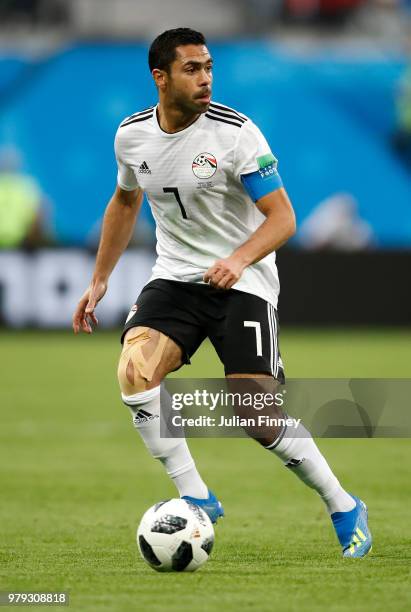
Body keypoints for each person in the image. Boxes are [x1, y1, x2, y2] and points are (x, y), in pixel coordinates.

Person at [72, 28, 372, 558]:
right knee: (134, 371)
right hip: (176, 277)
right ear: (160, 77)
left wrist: (237, 260)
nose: (205, 77)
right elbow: (124, 202)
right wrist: (100, 279)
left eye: (209, 66)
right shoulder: (131, 136)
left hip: (245, 281)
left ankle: (343, 504)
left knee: (254, 413)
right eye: (191, 68)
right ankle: (197, 495)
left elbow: (283, 219)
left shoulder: (236, 134)